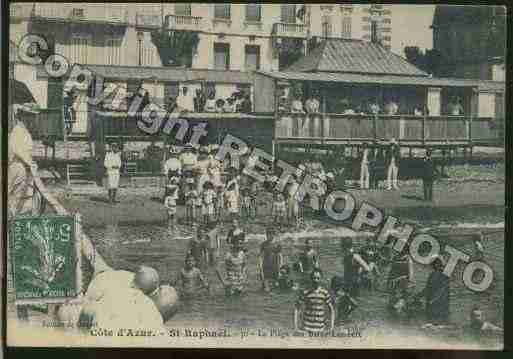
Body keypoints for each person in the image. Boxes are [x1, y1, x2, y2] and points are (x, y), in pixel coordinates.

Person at [294, 269, 335, 334]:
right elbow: (297, 308)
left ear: (321, 278)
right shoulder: (306, 292)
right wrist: (296, 327)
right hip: (306, 328)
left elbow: (331, 310)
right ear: (311, 279)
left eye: (318, 278)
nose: (316, 280)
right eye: (314, 278)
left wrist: (331, 327)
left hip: (320, 329)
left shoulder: (324, 293)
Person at [415, 255, 450, 325]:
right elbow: (427, 288)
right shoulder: (432, 275)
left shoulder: (444, 275)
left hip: (440, 304)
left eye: (436, 263)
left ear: (440, 264)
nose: (434, 265)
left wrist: (433, 300)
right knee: (430, 322)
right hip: (431, 303)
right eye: (433, 263)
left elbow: (441, 290)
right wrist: (418, 295)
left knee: (439, 322)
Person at [258, 227, 282, 292]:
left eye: (271, 234)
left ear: (274, 234)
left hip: (275, 267)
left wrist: (280, 268)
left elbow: (280, 256)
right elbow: (260, 257)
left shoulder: (277, 244)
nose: (270, 236)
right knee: (265, 287)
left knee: (275, 286)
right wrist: (260, 268)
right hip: (266, 267)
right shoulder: (263, 244)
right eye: (268, 234)